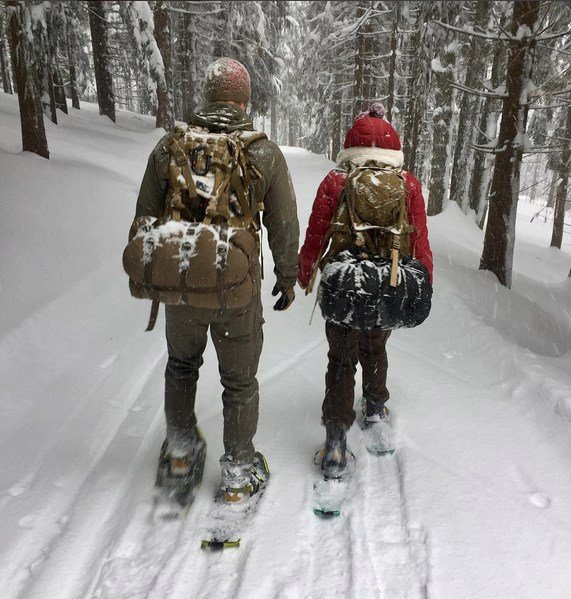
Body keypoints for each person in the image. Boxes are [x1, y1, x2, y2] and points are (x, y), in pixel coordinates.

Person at [133, 58, 299, 503]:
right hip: (237, 291)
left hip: (184, 283)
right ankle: (239, 473)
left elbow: (145, 219)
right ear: (244, 101)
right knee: (239, 382)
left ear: (206, 98)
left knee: (181, 367)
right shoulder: (264, 152)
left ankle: (182, 456)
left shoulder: (169, 147)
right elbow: (284, 225)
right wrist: (287, 277)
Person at [297, 103, 433, 478]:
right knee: (375, 346)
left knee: (340, 359)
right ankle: (374, 410)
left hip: (344, 283)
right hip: (388, 282)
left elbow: (316, 231)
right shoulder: (407, 183)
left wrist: (305, 269)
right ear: (393, 145)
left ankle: (337, 443)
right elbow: (419, 239)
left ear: (351, 143)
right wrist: (425, 281)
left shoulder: (336, 181)